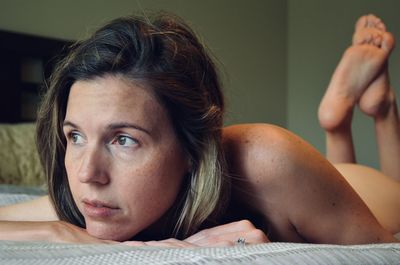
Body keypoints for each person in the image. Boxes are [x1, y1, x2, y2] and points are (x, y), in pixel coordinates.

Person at [0, 13, 398, 247]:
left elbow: (381, 247)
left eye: (123, 140)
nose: (88, 173)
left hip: (370, 194)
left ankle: (375, 112)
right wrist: (57, 233)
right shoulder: (90, 194)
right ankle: (347, 118)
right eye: (76, 136)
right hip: (314, 199)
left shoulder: (266, 157)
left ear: (193, 148)